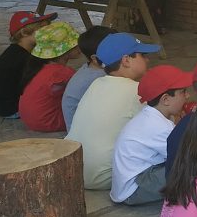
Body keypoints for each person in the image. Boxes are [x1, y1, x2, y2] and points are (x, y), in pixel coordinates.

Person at [66, 33, 161, 189]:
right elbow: (159, 130)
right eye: (143, 55)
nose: (148, 60)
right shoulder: (136, 90)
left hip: (73, 170)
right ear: (126, 60)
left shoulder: (96, 83)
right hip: (104, 175)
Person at [111, 65, 193, 205]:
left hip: (137, 179)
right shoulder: (159, 126)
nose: (188, 96)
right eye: (183, 92)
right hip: (134, 189)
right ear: (165, 99)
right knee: (192, 168)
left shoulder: (151, 115)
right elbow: (187, 155)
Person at [0, 10, 56, 118]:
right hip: (11, 109)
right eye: (42, 29)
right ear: (24, 33)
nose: (47, 33)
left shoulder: (18, 51)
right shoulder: (21, 58)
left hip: (2, 107)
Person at [17, 21, 80, 132]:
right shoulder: (62, 73)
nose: (80, 46)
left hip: (29, 119)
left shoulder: (40, 66)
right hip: (49, 121)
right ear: (65, 50)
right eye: (75, 44)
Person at [62, 25, 115, 130]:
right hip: (82, 132)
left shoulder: (89, 68)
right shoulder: (100, 78)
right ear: (95, 59)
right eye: (115, 51)